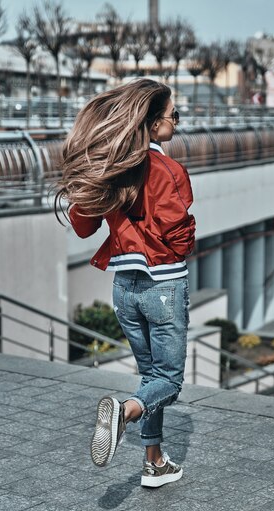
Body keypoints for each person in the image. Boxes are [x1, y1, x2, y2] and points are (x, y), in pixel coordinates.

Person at [56, 79, 195, 488]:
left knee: (151, 374)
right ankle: (126, 412)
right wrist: (186, 239)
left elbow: (82, 225)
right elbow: (178, 231)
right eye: (174, 115)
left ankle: (154, 462)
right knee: (167, 380)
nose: (178, 122)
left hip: (124, 288)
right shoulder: (168, 169)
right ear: (153, 125)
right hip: (163, 285)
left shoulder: (111, 168)